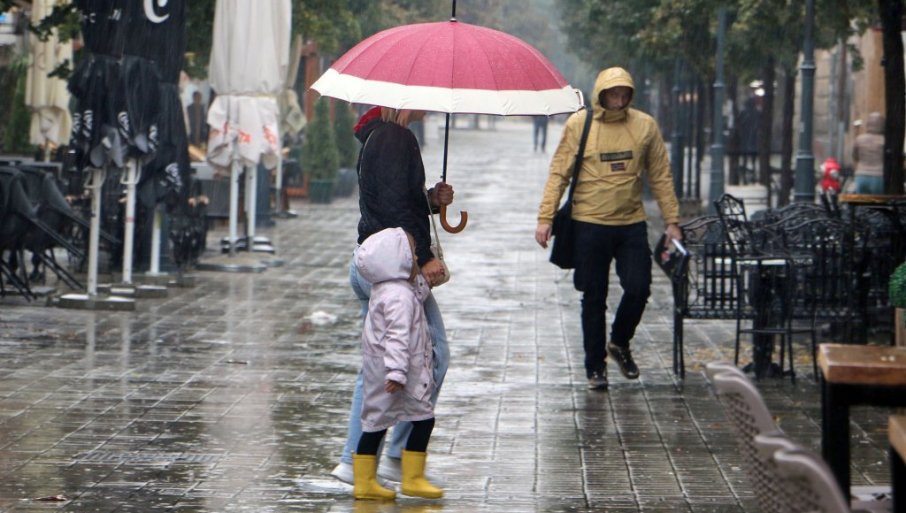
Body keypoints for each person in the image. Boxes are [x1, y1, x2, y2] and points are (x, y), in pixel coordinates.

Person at [534, 67, 682, 390]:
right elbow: (560, 173)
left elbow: (660, 175)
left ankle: (619, 342)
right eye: (611, 94)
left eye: (623, 94)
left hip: (630, 224)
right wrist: (545, 218)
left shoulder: (644, 126)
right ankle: (595, 368)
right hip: (589, 224)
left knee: (639, 287)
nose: (617, 99)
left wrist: (672, 220)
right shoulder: (580, 124)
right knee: (593, 296)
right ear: (600, 95)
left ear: (630, 94)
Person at [330, 105, 453, 486]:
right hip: (392, 266)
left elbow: (395, 198)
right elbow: (394, 209)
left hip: (377, 261)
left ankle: (361, 459)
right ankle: (392, 456)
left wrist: (431, 200)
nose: (431, 104)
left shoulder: (381, 136)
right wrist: (424, 256)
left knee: (381, 359)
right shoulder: (394, 138)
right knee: (433, 354)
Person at [351, 227, 442, 501]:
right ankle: (408, 478)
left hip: (393, 371)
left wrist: (426, 283)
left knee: (380, 423)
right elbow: (397, 337)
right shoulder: (398, 297)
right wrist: (397, 372)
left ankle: (367, 480)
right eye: (412, 253)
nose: (416, 257)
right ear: (396, 260)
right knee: (414, 420)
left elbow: (415, 296)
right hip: (399, 373)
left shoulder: (389, 289)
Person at [853, 111, 885, 194]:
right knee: (877, 204)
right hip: (878, 175)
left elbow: (855, 156)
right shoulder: (884, 141)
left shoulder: (859, 139)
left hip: (861, 174)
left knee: (861, 203)